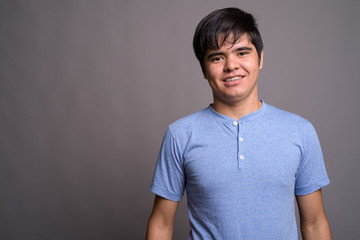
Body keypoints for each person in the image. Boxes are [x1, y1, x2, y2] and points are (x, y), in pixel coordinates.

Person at [146, 7, 332, 240]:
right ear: (204, 69)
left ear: (260, 58)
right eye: (217, 57)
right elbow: (161, 225)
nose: (231, 65)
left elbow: (314, 224)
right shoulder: (180, 134)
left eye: (242, 53)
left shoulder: (300, 131)